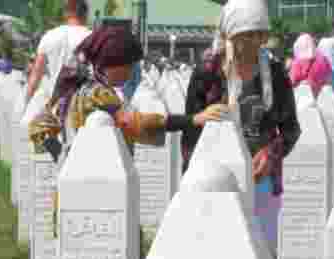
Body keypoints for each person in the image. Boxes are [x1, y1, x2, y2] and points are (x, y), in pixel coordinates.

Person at [28, 26, 226, 236]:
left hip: (72, 187)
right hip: (100, 193)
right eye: (129, 65)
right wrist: (193, 119)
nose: (132, 72)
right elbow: (135, 123)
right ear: (110, 64)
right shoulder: (99, 94)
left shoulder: (75, 88)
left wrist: (61, 156)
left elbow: (38, 126)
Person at [182, 0, 301, 259]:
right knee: (217, 256)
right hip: (216, 182)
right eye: (248, 35)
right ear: (230, 35)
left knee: (261, 256)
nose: (256, 42)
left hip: (261, 180)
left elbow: (290, 128)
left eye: (261, 34)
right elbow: (191, 134)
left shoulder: (276, 74)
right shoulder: (207, 74)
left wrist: (272, 153)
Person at [25, 0, 92, 104]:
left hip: (52, 106)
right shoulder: (93, 38)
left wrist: (26, 103)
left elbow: (35, 76)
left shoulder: (49, 36)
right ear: (86, 14)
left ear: (66, 13)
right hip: (80, 108)